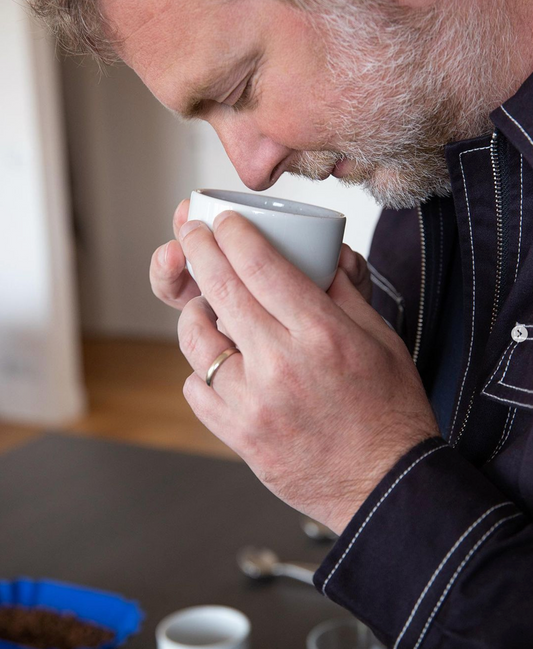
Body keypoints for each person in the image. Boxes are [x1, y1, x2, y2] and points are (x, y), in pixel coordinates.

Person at [29, 0, 533, 646]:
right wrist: (343, 379)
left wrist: (372, 479)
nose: (250, 168)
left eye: (239, 89)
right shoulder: (419, 183)